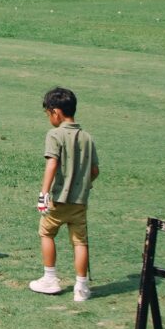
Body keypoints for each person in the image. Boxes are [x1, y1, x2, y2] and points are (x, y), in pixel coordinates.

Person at [30, 85, 98, 300]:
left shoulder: (54, 134)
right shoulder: (87, 137)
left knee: (46, 233)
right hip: (80, 201)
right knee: (80, 241)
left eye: (48, 113)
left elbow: (52, 164)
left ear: (56, 112)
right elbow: (94, 171)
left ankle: (50, 278)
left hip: (58, 200)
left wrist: (44, 194)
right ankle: (82, 287)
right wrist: (84, 184)